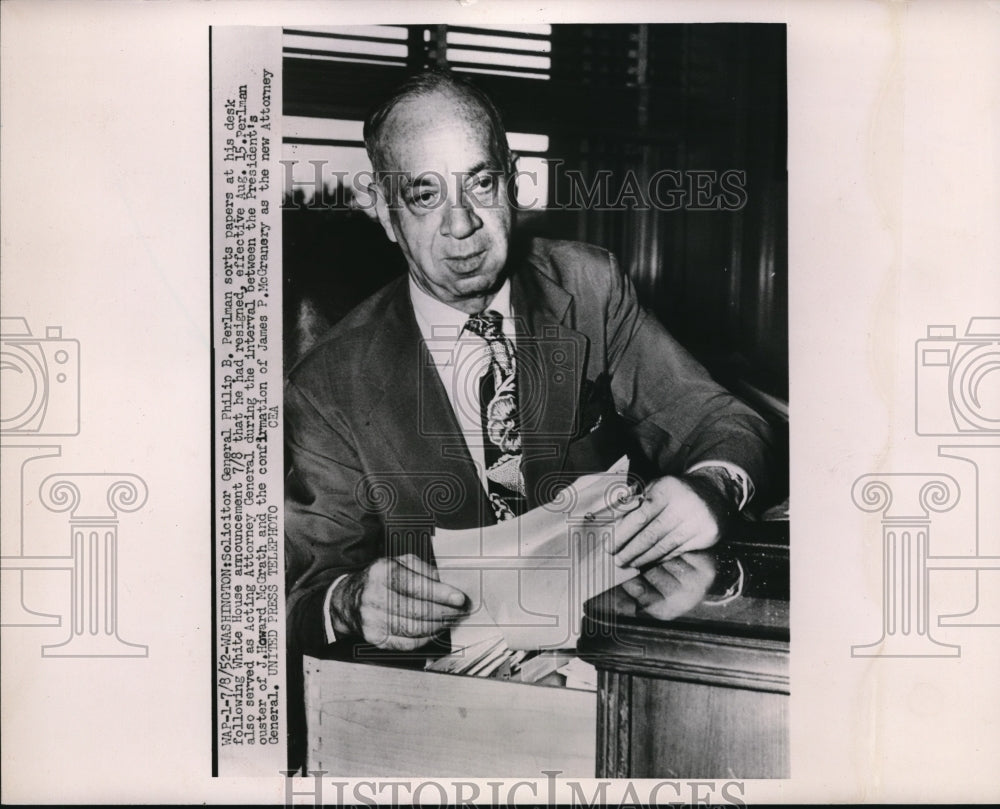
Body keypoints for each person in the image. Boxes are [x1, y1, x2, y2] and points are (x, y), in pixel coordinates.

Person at [284, 69, 774, 658]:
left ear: (513, 184)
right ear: (387, 213)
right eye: (424, 195)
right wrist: (346, 600)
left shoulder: (589, 288)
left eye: (481, 183)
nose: (462, 225)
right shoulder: (327, 383)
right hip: (447, 679)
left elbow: (722, 422)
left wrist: (713, 487)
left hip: (609, 647)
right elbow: (298, 589)